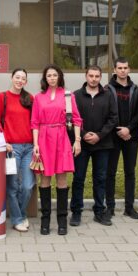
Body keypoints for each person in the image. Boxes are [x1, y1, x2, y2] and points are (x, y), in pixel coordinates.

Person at [31, 64, 82, 236]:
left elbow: (76, 119)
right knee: (45, 179)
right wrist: (36, 144)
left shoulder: (68, 95)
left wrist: (77, 141)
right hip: (44, 138)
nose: (52, 78)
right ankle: (45, 220)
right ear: (45, 78)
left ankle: (62, 220)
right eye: (49, 75)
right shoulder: (38, 97)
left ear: (59, 77)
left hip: (61, 137)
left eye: (55, 75)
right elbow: (35, 123)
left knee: (62, 179)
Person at [71, 65, 119, 227]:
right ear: (86, 76)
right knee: (78, 179)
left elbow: (113, 118)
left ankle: (99, 211)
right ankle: (76, 212)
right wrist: (83, 135)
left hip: (103, 144)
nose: (93, 79)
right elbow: (71, 119)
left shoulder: (108, 95)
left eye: (97, 76)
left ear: (100, 77)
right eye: (91, 76)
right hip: (81, 144)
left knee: (100, 179)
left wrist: (99, 135)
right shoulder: (76, 96)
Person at [0, 68, 35, 232]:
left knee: (27, 185)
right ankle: (18, 219)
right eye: (17, 77)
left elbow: (36, 122)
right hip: (11, 148)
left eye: (23, 78)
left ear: (26, 81)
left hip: (29, 147)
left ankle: (20, 213)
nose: (19, 80)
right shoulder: (2, 97)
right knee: (12, 186)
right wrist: (3, 142)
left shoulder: (29, 98)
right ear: (11, 78)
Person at [106, 57, 138, 220]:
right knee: (110, 173)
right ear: (114, 70)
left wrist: (128, 129)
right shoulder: (107, 89)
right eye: (119, 68)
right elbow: (106, 113)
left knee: (130, 172)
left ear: (129, 69)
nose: (122, 70)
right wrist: (117, 130)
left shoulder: (136, 90)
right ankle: (110, 207)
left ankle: (129, 207)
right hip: (112, 137)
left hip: (131, 137)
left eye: (125, 68)